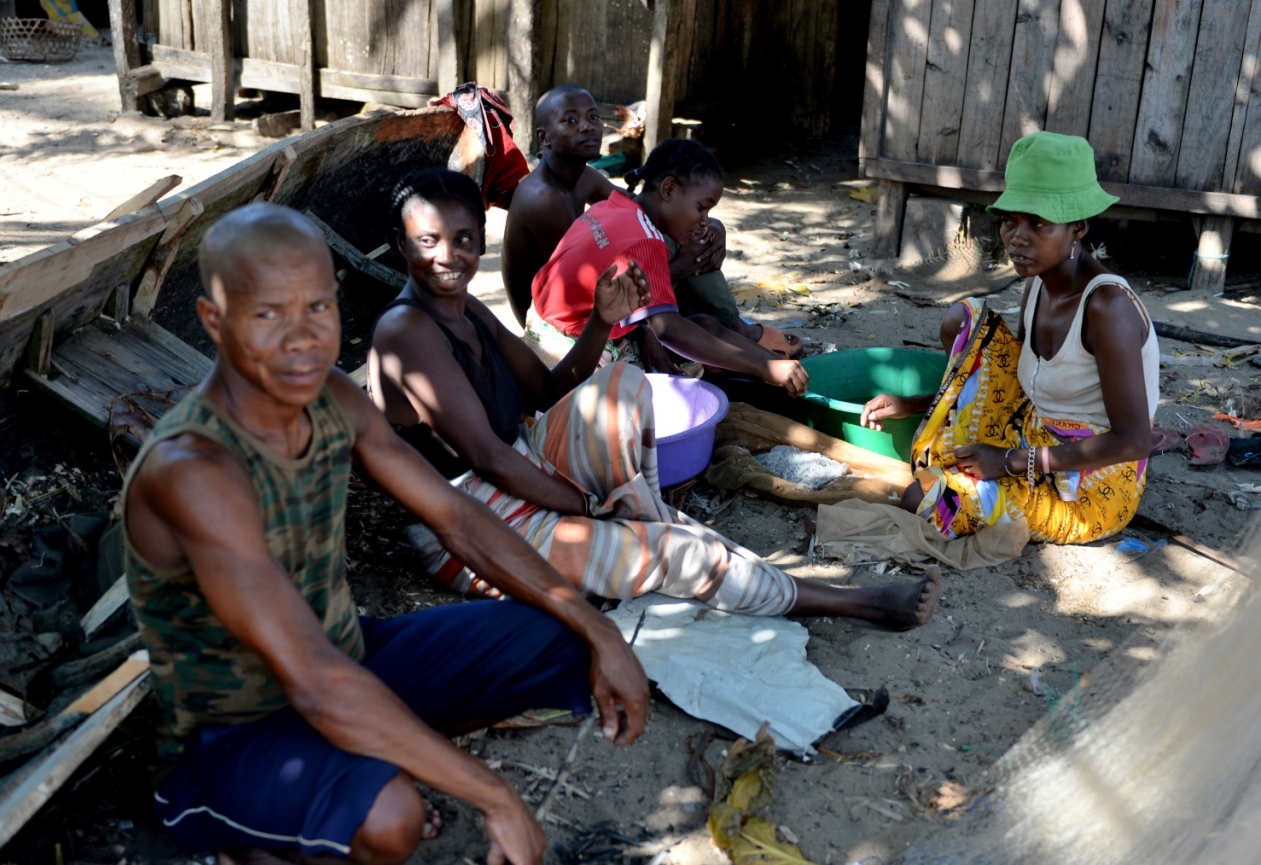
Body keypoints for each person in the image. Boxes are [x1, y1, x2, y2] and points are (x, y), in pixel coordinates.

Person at [122, 204, 649, 865]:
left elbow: (458, 517)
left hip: (349, 657)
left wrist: (600, 629)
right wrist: (492, 794)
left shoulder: (332, 396)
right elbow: (311, 683)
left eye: (318, 307)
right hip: (234, 730)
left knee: (559, 632)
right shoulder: (196, 469)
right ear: (214, 322)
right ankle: (234, 829)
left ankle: (365, 761)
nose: (303, 338)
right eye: (268, 314)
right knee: (392, 824)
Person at [368, 169, 941, 634]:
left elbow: (547, 392)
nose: (449, 256)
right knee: (672, 551)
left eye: (463, 240)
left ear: (480, 241)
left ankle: (643, 518)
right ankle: (854, 604)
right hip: (470, 526)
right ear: (401, 245)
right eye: (428, 242)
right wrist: (586, 506)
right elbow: (487, 459)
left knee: (624, 385)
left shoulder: (467, 308)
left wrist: (601, 322)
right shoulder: (407, 332)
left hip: (520, 469)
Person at [860, 131, 1159, 544]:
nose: (1017, 238)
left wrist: (1014, 461)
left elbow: (1134, 442)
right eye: (1009, 221)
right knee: (963, 319)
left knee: (926, 498)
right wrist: (917, 404)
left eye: (1038, 224)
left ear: (1078, 227)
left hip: (1091, 482)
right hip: (1034, 433)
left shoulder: (1108, 308)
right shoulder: (1038, 282)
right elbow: (1019, 386)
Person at [502, 84, 801, 358]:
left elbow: (645, 209)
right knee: (675, 270)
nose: (587, 127)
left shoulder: (582, 175)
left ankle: (729, 327)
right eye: (571, 121)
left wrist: (709, 228)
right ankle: (726, 335)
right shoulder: (543, 199)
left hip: (592, 298)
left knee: (686, 237)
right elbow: (587, 285)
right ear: (544, 137)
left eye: (593, 117)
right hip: (563, 322)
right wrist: (683, 267)